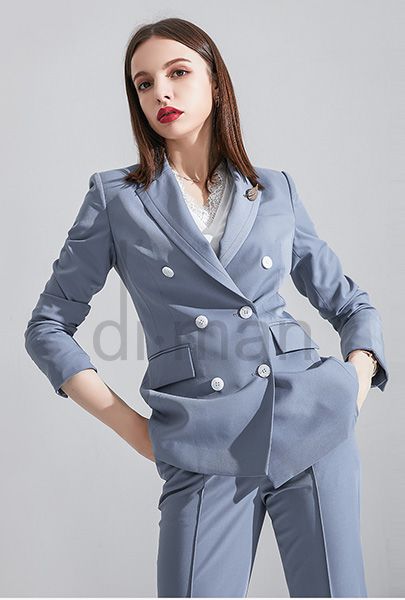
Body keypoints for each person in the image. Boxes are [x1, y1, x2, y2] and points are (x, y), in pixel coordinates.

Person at [24, 17, 388, 598]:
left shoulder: (274, 189)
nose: (161, 93)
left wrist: (354, 385)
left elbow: (351, 302)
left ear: (215, 83)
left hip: (312, 427)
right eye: (144, 83)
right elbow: (48, 327)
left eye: (178, 72)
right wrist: (140, 433)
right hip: (202, 440)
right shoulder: (116, 198)